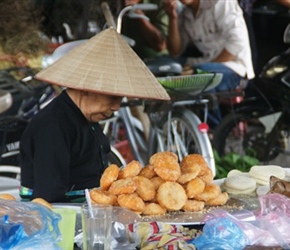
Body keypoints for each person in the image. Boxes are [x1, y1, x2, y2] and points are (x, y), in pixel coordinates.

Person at [19, 27, 170, 203]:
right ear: (85, 88)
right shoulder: (53, 126)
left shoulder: (84, 116)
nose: (116, 107)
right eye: (112, 97)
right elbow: (48, 198)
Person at [163, 0, 255, 126]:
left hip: (234, 68)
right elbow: (175, 51)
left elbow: (237, 43)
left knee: (201, 75)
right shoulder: (185, 13)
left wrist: (203, 69)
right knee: (165, 67)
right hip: (206, 64)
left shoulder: (221, 3)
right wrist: (172, 18)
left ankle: (214, 132)